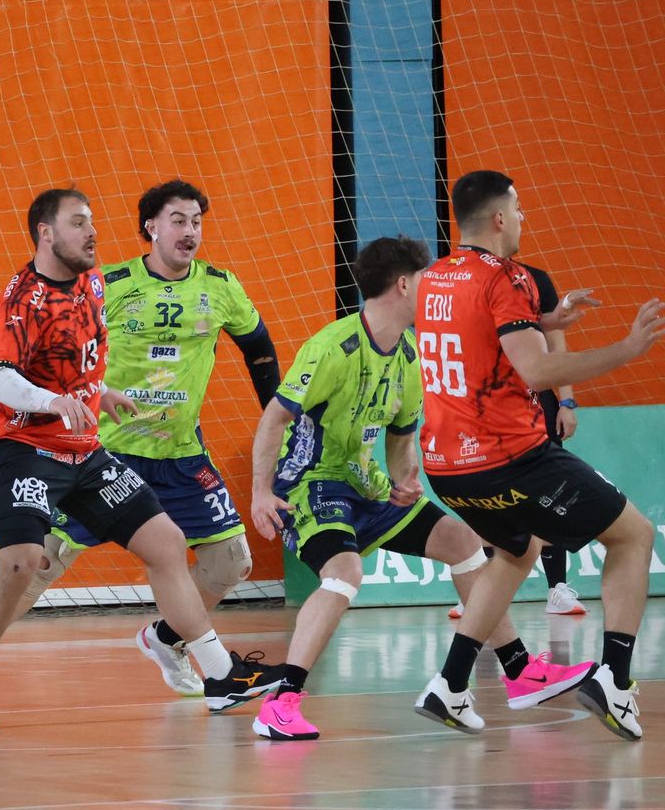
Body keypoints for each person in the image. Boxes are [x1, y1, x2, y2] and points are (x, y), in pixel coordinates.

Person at [0, 186, 283, 732]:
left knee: (171, 544)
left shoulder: (93, 284)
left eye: (92, 222)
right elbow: (0, 374)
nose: (92, 232)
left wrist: (99, 395)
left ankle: (217, 674)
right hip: (29, 447)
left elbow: (87, 358)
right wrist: (45, 402)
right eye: (78, 223)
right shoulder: (27, 297)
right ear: (47, 233)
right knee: (24, 564)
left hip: (96, 449)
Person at [247, 237, 592, 741]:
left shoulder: (410, 354)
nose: (433, 288)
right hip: (312, 484)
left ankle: (519, 673)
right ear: (406, 284)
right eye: (427, 279)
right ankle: (282, 704)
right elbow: (275, 417)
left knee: (464, 543)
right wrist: (260, 491)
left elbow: (401, 439)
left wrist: (404, 480)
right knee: (344, 573)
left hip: (370, 487)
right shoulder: (332, 348)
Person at [413, 169, 664, 739]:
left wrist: (544, 321)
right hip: (512, 458)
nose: (525, 218)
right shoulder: (511, 277)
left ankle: (451, 685)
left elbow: (476, 332)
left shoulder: (434, 279)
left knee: (515, 550)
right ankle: (616, 682)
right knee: (634, 535)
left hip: (447, 467)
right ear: (500, 218)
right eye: (520, 209)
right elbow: (538, 370)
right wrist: (625, 350)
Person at [444, 262, 586, 619]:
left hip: (537, 403)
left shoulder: (536, 278)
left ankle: (557, 590)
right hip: (487, 405)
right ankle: (476, 593)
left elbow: (555, 341)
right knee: (486, 499)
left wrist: (566, 400)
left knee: (551, 494)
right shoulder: (465, 281)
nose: (518, 217)